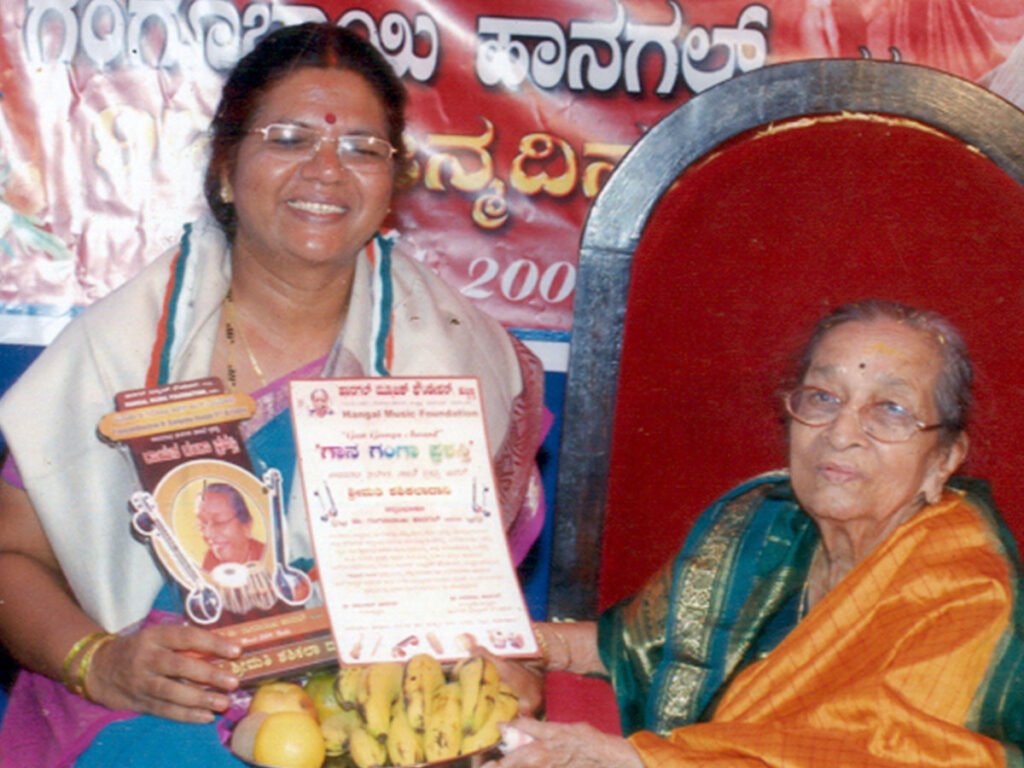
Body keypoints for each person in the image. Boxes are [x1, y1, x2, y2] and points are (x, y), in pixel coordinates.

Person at [0, 22, 545, 766]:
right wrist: (97, 662)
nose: (325, 170)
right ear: (225, 168)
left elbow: (463, 601)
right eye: (288, 139)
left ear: (393, 184)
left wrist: (503, 665)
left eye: (361, 148)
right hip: (148, 706)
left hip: (368, 718)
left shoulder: (455, 356)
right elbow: (9, 556)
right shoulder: (120, 348)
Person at [498, 300, 1024, 767]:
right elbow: (642, 646)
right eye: (822, 398)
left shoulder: (963, 588)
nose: (841, 434)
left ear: (945, 459)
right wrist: (519, 645)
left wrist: (634, 760)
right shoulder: (771, 522)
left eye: (890, 410)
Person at [196, 483, 265, 571]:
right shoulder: (209, 562)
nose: (209, 533)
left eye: (219, 522)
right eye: (202, 524)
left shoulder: (268, 558)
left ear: (247, 525)